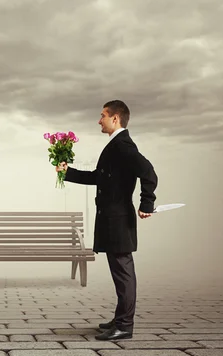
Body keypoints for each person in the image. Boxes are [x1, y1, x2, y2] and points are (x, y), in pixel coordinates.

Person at [56, 100, 158, 341]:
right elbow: (99, 178)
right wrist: (67, 172)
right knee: (120, 272)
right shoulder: (115, 146)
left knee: (124, 273)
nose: (98, 120)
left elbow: (149, 172)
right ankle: (120, 319)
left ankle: (125, 325)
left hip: (118, 220)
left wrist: (147, 203)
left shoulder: (122, 146)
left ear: (115, 119)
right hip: (113, 220)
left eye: (102, 115)